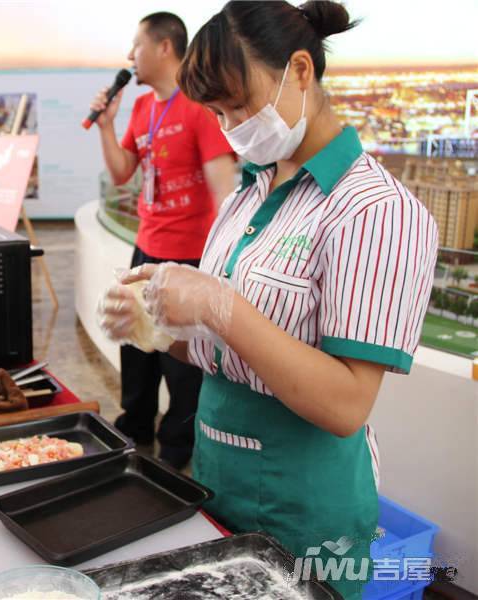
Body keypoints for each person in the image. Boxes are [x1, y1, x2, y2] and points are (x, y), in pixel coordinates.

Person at [100, 2, 438, 598]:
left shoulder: (376, 211)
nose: (232, 125)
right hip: (217, 480)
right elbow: (226, 353)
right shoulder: (249, 193)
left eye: (240, 103)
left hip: (304, 507)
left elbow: (346, 404)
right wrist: (157, 330)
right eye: (219, 111)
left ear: (301, 71)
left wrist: (220, 306)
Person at [88, 12, 236, 469]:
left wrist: (218, 266)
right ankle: (135, 428)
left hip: (189, 254)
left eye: (138, 45)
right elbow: (121, 173)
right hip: (146, 244)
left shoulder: (198, 107)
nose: (131, 56)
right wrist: (108, 126)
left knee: (183, 365)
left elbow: (225, 193)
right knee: (136, 345)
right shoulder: (141, 108)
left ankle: (176, 449)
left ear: (165, 47)